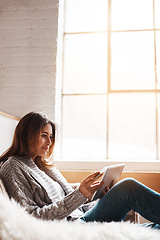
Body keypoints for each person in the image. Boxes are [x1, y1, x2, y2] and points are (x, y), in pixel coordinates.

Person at [0, 112, 160, 228]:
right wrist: (80, 194)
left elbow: (74, 205)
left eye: (51, 136)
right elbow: (31, 217)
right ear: (26, 135)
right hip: (73, 227)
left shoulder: (45, 165)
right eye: (43, 135)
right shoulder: (13, 166)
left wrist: (98, 197)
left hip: (81, 216)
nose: (49, 142)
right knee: (128, 187)